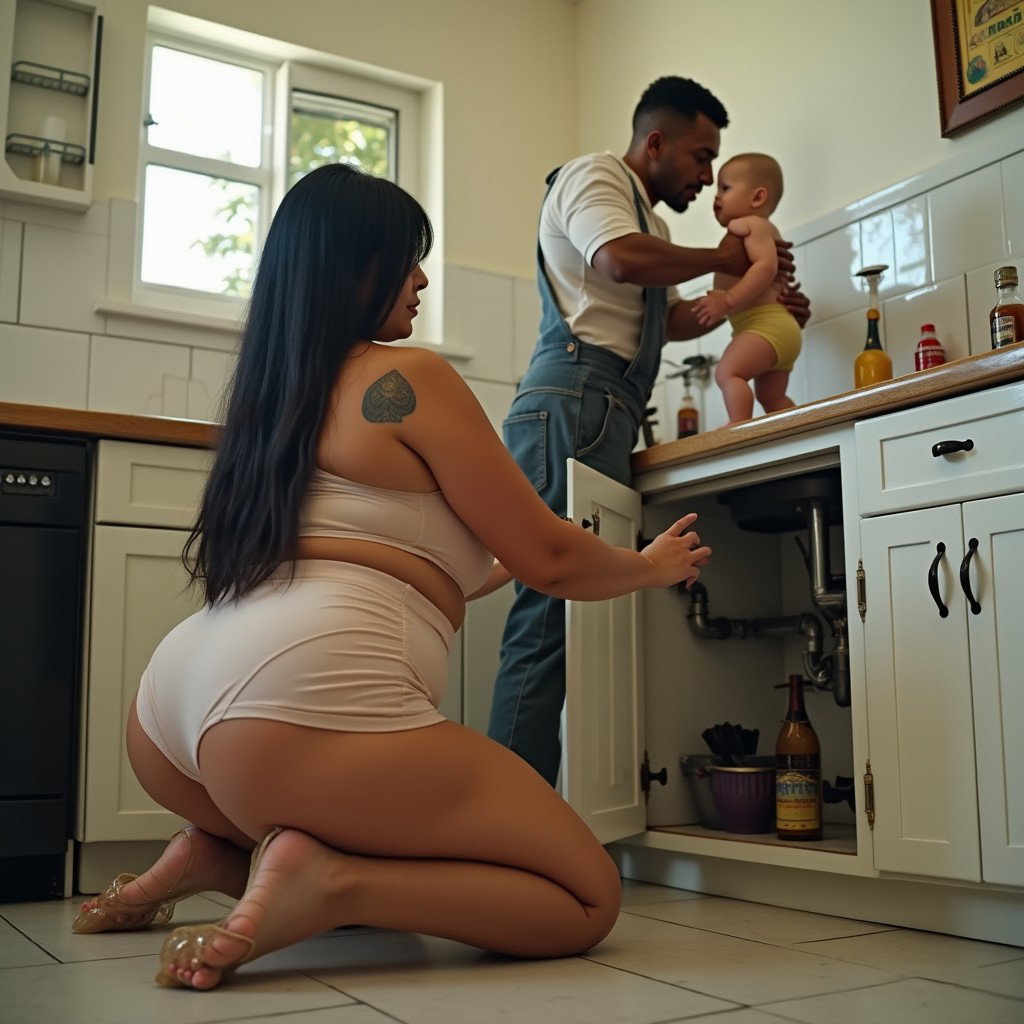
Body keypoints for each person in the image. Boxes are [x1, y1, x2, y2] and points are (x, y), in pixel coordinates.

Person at [70, 163, 713, 991]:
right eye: (403, 259)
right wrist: (644, 566)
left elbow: (420, 567)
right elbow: (548, 556)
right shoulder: (406, 380)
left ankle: (217, 852)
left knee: (415, 870)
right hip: (295, 708)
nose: (420, 278)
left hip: (174, 717)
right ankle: (334, 882)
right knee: (583, 897)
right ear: (350, 269)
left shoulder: (272, 399)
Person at [488, 76, 810, 786]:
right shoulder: (594, 176)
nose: (706, 176)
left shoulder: (654, 228)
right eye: (701, 157)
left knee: (571, 623)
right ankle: (506, 823)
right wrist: (724, 260)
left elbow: (674, 321)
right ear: (655, 141)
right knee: (547, 618)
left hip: (604, 405)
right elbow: (616, 259)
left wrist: (767, 306)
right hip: (573, 396)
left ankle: (528, 816)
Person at [693, 153, 801, 423]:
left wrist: (728, 300)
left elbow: (766, 267)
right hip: (779, 329)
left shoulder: (748, 224)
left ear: (757, 198)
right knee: (772, 398)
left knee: (727, 374)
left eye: (725, 188)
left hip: (765, 326)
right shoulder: (760, 228)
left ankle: (739, 425)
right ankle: (798, 432)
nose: (716, 196)